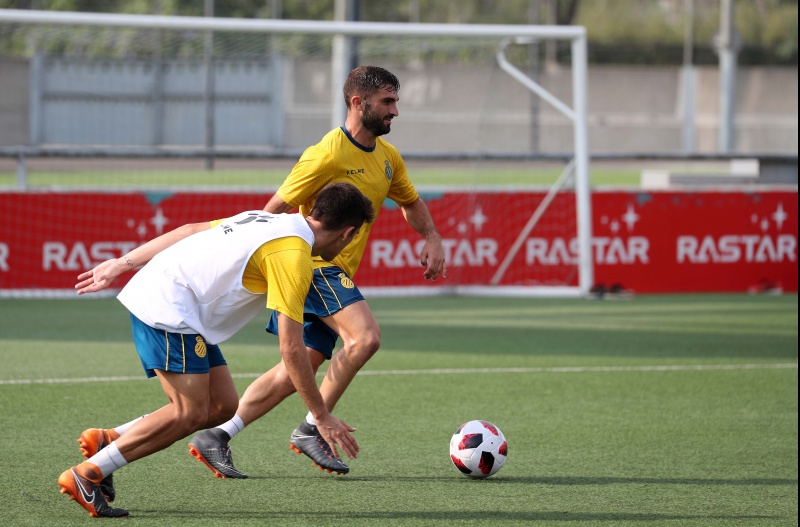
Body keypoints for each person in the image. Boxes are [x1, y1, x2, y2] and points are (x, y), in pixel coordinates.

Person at [185, 65, 447, 478]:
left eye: (396, 102)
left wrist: (431, 235)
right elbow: (276, 208)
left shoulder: (387, 158)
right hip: (312, 266)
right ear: (358, 103)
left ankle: (218, 434)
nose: (395, 111)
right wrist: (241, 257)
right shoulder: (325, 154)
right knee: (365, 338)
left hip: (334, 272)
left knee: (299, 369)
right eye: (388, 102)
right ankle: (312, 427)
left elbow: (410, 201)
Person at [57, 182, 375, 518]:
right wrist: (321, 417)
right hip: (169, 308)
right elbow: (291, 348)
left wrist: (123, 263)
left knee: (223, 405)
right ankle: (87, 474)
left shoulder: (269, 219)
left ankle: (110, 439)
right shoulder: (294, 256)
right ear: (348, 234)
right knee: (189, 412)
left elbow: (189, 230)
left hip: (182, 307)